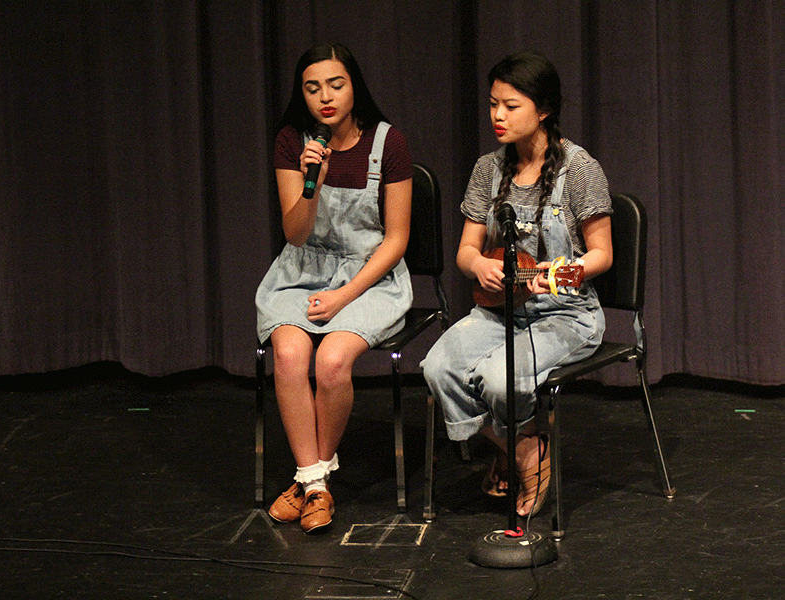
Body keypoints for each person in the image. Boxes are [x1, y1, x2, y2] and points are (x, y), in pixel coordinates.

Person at [421, 51, 613, 518]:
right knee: (438, 366)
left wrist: (566, 271)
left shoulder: (579, 169)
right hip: (498, 309)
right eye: (493, 105)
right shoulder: (489, 168)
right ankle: (527, 451)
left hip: (565, 314)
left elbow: (603, 255)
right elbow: (467, 250)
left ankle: (515, 452)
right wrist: (477, 267)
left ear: (543, 109)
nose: (498, 116)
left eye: (511, 105)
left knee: (500, 381)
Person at [255, 43, 413, 532]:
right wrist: (313, 181)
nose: (325, 96)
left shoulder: (389, 144)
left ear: (354, 87)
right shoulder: (291, 141)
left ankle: (306, 485)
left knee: (331, 361)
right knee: (286, 355)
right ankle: (317, 483)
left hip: (368, 278)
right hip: (302, 269)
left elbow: (397, 239)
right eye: (312, 87)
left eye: (336, 84)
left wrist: (345, 296)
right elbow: (296, 233)